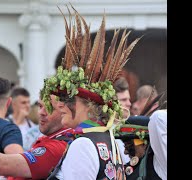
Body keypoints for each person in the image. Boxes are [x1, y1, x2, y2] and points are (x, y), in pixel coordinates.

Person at [39, 4, 140, 179]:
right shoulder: (113, 143)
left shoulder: (84, 144)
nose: (61, 105)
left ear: (89, 105)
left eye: (70, 99)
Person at [114, 109, 167, 180]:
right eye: (124, 145)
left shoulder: (161, 165)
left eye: (130, 145)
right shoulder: (123, 170)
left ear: (144, 144)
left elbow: (158, 117)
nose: (125, 152)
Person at [113, 77, 132, 165]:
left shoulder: (131, 128)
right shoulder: (102, 130)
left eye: (129, 99)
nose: (129, 104)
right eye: (124, 100)